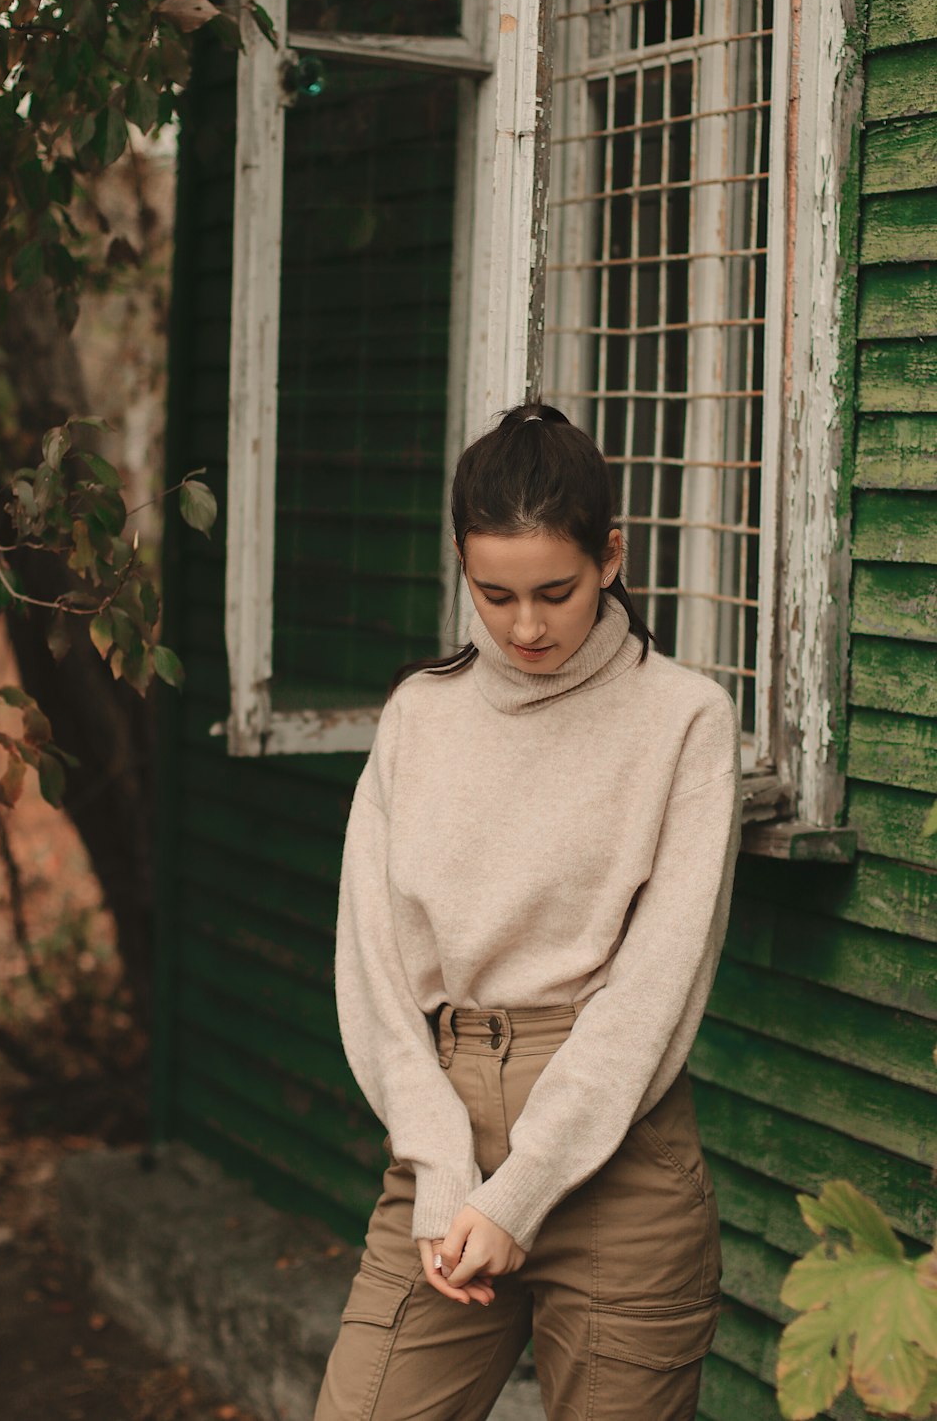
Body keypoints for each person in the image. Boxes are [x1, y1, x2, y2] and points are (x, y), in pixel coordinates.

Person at [314, 403, 743, 1421]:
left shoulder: (683, 721)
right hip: (443, 1138)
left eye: (554, 591)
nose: (523, 627)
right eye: (491, 593)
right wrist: (444, 1166)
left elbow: (653, 992)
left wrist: (522, 1190)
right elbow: (372, 968)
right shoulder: (419, 716)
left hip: (620, 1166)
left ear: (611, 558)